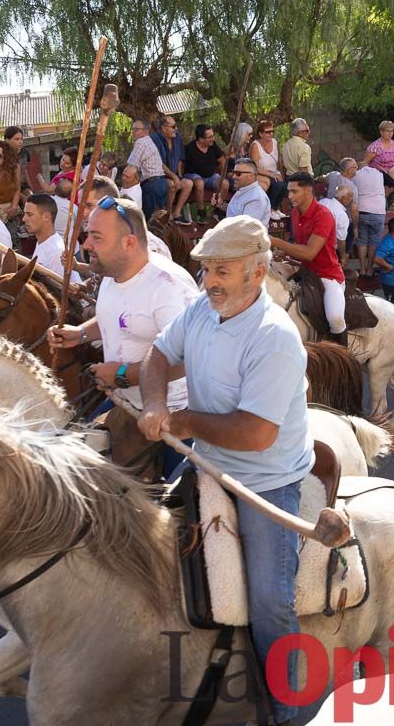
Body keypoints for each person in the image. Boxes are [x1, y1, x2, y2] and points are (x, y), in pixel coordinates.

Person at [137, 215, 314, 725]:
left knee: (270, 602)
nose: (210, 280)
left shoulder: (274, 336)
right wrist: (153, 404)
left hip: (265, 482)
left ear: (257, 274)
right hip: (206, 465)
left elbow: (257, 435)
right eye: (208, 269)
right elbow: (158, 355)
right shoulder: (201, 309)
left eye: (222, 271)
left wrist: (184, 419)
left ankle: (288, 711)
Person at [49, 195, 199, 462]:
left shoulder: (169, 287)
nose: (86, 245)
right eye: (87, 235)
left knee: (174, 500)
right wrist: (80, 333)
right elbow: (119, 318)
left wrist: (122, 374)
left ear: (129, 243)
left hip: (174, 417)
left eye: (97, 237)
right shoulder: (112, 273)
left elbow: (191, 360)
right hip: (123, 404)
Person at [270, 172, 347, 344]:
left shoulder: (323, 215)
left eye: (294, 191)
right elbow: (300, 245)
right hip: (306, 272)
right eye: (288, 191)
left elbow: (309, 253)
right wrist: (285, 254)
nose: (289, 196)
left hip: (328, 276)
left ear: (308, 191)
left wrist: (276, 242)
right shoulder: (295, 213)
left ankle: (342, 358)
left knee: (335, 319)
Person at [337, 157, 387, 277]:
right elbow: (390, 182)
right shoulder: (379, 173)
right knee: (374, 241)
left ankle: (362, 269)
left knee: (362, 240)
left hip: (363, 210)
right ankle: (370, 269)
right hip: (378, 210)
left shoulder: (356, 175)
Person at [23, 192, 81, 284]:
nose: (24, 219)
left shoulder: (57, 252)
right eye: (24, 214)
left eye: (29, 215)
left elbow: (59, 292)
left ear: (46, 216)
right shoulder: (43, 243)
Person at [181, 123, 227, 224]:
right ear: (201, 139)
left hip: (210, 176)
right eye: (210, 137)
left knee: (224, 183)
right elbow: (181, 163)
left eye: (213, 135)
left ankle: (218, 209)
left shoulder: (213, 146)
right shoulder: (189, 149)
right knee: (199, 183)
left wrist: (223, 175)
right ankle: (201, 212)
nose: (213, 138)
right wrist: (180, 176)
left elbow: (222, 160)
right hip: (193, 175)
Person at [151, 115, 192, 222]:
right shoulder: (154, 139)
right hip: (159, 176)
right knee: (172, 185)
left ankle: (177, 212)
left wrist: (179, 175)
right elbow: (159, 163)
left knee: (188, 183)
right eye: (173, 127)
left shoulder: (177, 137)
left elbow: (180, 158)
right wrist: (174, 177)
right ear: (164, 128)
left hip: (174, 175)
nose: (176, 129)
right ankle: (168, 215)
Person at [365, 120, 394, 210]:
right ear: (381, 132)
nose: (390, 133)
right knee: (390, 184)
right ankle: (377, 204)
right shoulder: (375, 146)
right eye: (387, 131)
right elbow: (365, 162)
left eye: (392, 131)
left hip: (393, 170)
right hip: (379, 171)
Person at [127, 119, 168, 214]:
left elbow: (131, 167)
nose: (133, 132)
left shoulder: (141, 142)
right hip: (160, 183)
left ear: (146, 131)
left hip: (151, 185)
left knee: (150, 220)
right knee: (158, 219)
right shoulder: (148, 141)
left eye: (136, 129)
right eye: (132, 129)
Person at [249, 119, 287, 219]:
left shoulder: (274, 142)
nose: (271, 134)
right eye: (268, 132)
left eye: (272, 132)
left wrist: (278, 173)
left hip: (274, 172)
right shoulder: (255, 146)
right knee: (276, 185)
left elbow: (278, 162)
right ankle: (269, 209)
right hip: (261, 173)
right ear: (260, 134)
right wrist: (272, 175)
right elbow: (255, 167)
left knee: (284, 186)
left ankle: (275, 208)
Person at [225, 157, 273, 228]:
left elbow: (246, 229)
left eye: (238, 173)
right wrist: (220, 204)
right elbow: (235, 212)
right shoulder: (243, 190)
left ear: (250, 176)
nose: (234, 176)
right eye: (233, 173)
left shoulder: (256, 198)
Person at [320, 185, 353, 266]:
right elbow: (340, 239)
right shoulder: (342, 215)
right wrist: (343, 257)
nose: (351, 201)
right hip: (328, 249)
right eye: (350, 198)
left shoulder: (323, 201)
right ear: (344, 198)